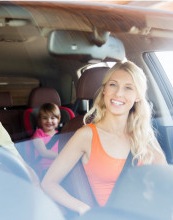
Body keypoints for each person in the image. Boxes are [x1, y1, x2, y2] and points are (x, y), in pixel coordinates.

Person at [41, 61, 168, 215]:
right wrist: (84, 209)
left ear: (138, 96)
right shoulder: (86, 135)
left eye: (128, 87)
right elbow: (48, 183)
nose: (118, 93)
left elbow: (164, 181)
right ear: (104, 90)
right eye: (113, 85)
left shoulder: (143, 134)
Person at [31, 103, 60, 179]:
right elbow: (43, 152)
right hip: (45, 169)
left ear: (58, 119)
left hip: (60, 167)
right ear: (40, 120)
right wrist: (62, 157)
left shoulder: (61, 134)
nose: (49, 121)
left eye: (53, 118)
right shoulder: (38, 134)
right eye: (45, 118)